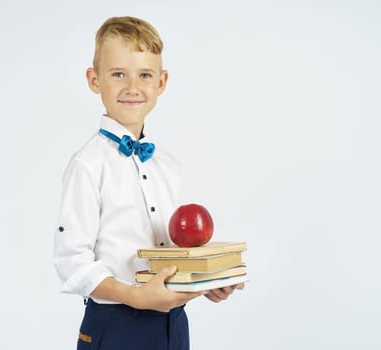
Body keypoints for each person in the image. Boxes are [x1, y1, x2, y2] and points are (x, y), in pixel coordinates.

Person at [53, 16, 243, 350]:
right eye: (117, 74)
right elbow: (72, 263)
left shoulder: (167, 165)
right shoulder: (87, 164)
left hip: (173, 325)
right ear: (94, 80)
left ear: (161, 82)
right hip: (115, 326)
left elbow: (169, 254)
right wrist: (136, 297)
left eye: (144, 74)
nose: (132, 86)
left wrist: (205, 281)